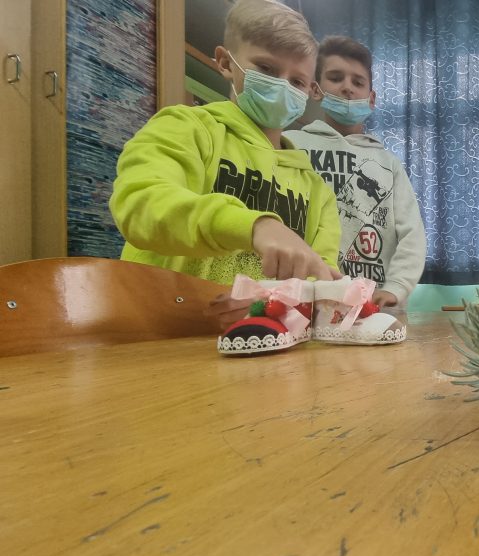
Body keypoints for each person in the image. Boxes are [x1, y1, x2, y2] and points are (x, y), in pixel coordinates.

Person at [109, 0, 341, 328]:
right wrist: (255, 226)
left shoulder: (317, 190)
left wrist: (273, 302)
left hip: (265, 341)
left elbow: (319, 278)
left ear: (309, 91)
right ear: (225, 62)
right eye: (266, 69)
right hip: (161, 335)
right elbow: (139, 205)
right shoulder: (184, 128)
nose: (282, 86)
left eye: (297, 82)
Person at [285, 36, 426, 308]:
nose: (347, 87)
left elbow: (412, 232)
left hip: (373, 303)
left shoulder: (388, 163)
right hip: (301, 297)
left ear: (371, 99)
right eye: (336, 78)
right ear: (315, 89)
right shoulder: (290, 144)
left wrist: (397, 286)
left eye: (358, 82)